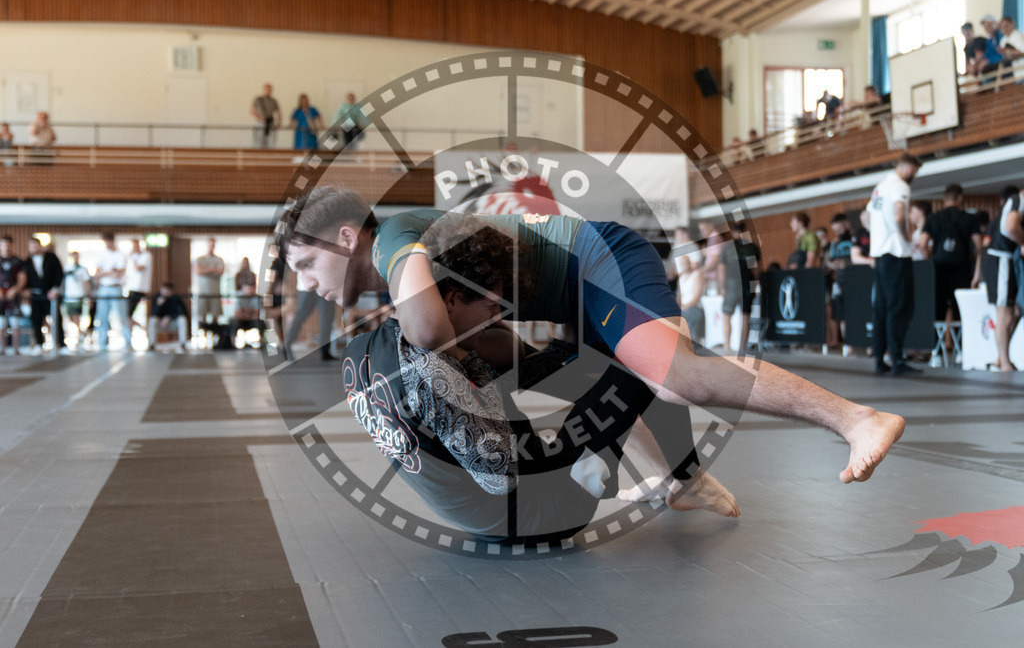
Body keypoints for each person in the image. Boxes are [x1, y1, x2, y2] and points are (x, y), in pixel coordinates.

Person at [279, 186, 906, 486]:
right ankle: (680, 485)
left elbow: (425, 327)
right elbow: (491, 348)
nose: (310, 285)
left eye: (306, 266)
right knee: (561, 369)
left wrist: (412, 349)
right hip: (565, 292)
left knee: (676, 377)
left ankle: (855, 418)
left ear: (344, 238)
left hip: (595, 258)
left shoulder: (391, 239)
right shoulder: (398, 259)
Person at [338, 220, 737, 544]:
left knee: (573, 366)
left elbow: (512, 372)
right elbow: (500, 475)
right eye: (491, 306)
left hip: (481, 517)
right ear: (451, 298)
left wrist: (541, 359)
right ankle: (683, 478)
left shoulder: (359, 351)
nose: (497, 316)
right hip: (544, 514)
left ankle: (678, 476)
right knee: (633, 367)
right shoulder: (434, 371)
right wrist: (471, 363)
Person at [868, 153, 922, 376]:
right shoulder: (900, 185)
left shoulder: (880, 186)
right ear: (909, 168)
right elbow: (900, 216)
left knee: (881, 308)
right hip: (897, 253)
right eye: (915, 172)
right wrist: (905, 239)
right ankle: (898, 360)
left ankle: (880, 359)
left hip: (880, 253)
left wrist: (878, 237)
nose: (914, 176)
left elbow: (866, 216)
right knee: (899, 308)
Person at [919, 185, 982, 327]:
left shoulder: (932, 219)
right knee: (961, 311)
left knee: (938, 309)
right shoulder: (969, 219)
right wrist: (973, 261)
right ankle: (961, 346)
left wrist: (929, 259)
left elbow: (922, 244)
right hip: (962, 271)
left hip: (939, 271)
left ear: (944, 198)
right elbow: (979, 246)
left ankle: (938, 347)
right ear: (960, 197)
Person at [982, 186, 1023, 371]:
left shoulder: (1013, 202)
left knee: (1014, 312)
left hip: (1003, 261)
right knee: (1004, 314)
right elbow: (1011, 226)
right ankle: (1004, 363)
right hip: (1001, 260)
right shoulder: (1018, 200)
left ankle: (1001, 358)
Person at [719, 221, 761, 354]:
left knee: (727, 315)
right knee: (745, 316)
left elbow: (721, 269)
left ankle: (727, 345)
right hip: (747, 283)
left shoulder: (726, 247)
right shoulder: (753, 247)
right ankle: (742, 347)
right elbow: (757, 270)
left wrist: (722, 287)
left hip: (731, 283)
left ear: (732, 231)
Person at [24, 236, 65, 355]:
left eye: (35, 245)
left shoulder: (51, 258)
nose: (33, 248)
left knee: (56, 318)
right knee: (36, 319)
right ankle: (39, 344)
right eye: (30, 246)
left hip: (50, 294)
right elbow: (25, 278)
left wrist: (54, 289)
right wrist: (26, 289)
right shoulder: (27, 261)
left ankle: (61, 344)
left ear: (40, 246)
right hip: (35, 295)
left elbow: (59, 274)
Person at [94, 231, 132, 351]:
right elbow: (97, 274)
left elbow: (119, 273)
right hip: (103, 289)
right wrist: (109, 272)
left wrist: (106, 273)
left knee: (121, 317)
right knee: (102, 317)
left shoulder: (120, 255)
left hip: (116, 288)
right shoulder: (102, 255)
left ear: (112, 241)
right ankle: (102, 343)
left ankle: (127, 342)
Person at [284, 274, 336, 361]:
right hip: (306, 286)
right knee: (300, 317)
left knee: (327, 318)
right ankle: (287, 345)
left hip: (325, 286)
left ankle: (325, 351)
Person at [824, 214, 854, 344]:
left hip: (854, 280)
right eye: (835, 230)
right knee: (841, 313)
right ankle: (847, 342)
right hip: (839, 280)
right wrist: (832, 264)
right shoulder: (834, 243)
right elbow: (829, 260)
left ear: (846, 224)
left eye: (840, 229)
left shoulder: (855, 239)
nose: (838, 232)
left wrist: (847, 264)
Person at [0, 235, 26, 356]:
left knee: (15, 322)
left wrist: (15, 289)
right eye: (3, 244)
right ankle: (2, 348)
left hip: (13, 296)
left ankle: (16, 348)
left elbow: (22, 278)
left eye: (8, 244)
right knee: (1, 323)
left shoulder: (17, 261)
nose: (6, 247)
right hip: (1, 297)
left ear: (11, 245)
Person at [62, 251, 92, 350]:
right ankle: (82, 332)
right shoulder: (67, 268)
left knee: (76, 317)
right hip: (68, 297)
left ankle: (79, 337)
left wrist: (88, 296)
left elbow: (86, 283)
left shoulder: (82, 270)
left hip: (78, 296)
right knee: (70, 318)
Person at [147, 283, 189, 353]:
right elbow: (153, 314)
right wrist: (158, 305)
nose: (165, 292)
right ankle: (152, 344)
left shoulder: (176, 298)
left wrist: (169, 317)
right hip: (160, 324)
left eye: (167, 290)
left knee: (182, 319)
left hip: (173, 323)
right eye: (164, 289)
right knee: (152, 320)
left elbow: (182, 312)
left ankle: (183, 343)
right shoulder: (156, 298)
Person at [194, 237, 225, 327]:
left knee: (215, 316)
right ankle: (204, 335)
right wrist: (213, 269)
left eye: (213, 245)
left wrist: (206, 270)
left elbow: (220, 271)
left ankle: (215, 336)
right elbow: (199, 271)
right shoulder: (200, 259)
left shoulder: (219, 260)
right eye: (210, 244)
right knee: (202, 316)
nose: (211, 246)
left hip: (215, 292)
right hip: (203, 292)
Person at [676, 254, 705, 346]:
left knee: (685, 316)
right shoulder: (681, 278)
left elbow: (696, 298)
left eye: (686, 263)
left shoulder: (697, 276)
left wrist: (683, 308)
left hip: (695, 308)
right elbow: (679, 297)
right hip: (684, 308)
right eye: (682, 263)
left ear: (690, 263)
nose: (684, 265)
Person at [125, 238, 153, 332]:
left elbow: (138, 268)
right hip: (131, 288)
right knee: (127, 315)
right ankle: (141, 329)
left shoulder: (146, 255)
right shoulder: (132, 257)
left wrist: (133, 257)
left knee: (127, 314)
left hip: (139, 289)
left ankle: (144, 328)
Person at [229, 282, 265, 348]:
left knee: (260, 322)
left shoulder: (257, 298)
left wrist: (244, 312)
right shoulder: (238, 297)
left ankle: (262, 343)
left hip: (251, 320)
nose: (249, 290)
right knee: (233, 321)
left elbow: (257, 314)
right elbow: (237, 314)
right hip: (242, 320)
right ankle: (232, 344)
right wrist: (250, 313)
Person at [251, 83, 281, 149]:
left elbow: (278, 112)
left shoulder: (273, 101)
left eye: (270, 90)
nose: (268, 91)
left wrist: (278, 123)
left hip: (270, 123)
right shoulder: (258, 100)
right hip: (260, 123)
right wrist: (259, 119)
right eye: (267, 89)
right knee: (258, 143)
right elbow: (252, 111)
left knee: (271, 142)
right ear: (264, 90)